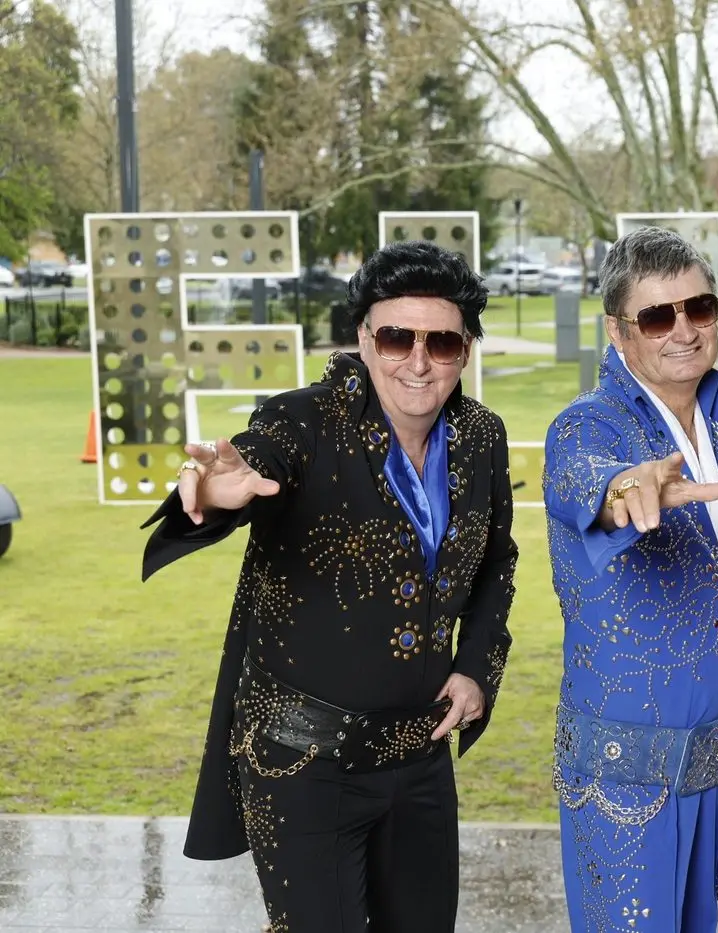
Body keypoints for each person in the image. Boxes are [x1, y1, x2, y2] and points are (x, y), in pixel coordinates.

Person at [140, 240, 518, 933]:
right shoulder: (301, 422)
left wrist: (475, 668)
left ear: (465, 350)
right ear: (364, 338)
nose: (417, 359)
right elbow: (253, 465)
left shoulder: (481, 436)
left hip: (418, 759)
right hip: (302, 764)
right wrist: (219, 493)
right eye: (397, 336)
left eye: (441, 341)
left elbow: (496, 559)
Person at [542, 226, 718, 932]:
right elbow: (581, 482)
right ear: (619, 332)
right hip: (623, 783)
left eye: (699, 308)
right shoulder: (582, 428)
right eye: (657, 316)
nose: (682, 329)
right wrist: (625, 489)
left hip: (712, 766)